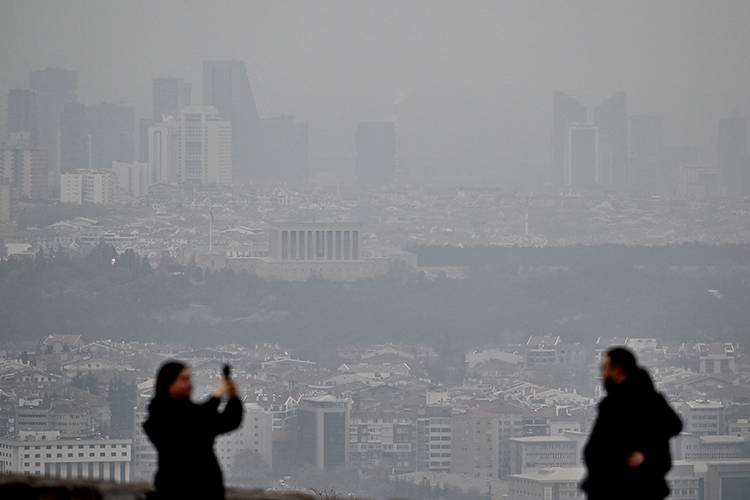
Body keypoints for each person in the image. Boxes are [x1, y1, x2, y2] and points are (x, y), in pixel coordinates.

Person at [581, 347, 682, 500]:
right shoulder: (617, 401)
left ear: (618, 369)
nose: (602, 375)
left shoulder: (641, 400)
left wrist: (644, 453)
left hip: (630, 488)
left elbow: (673, 425)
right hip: (614, 487)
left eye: (605, 369)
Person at [143, 361, 243, 500]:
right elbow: (191, 424)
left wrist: (233, 398)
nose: (190, 384)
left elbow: (228, 421)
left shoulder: (182, 413)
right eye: (184, 379)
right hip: (177, 490)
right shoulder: (163, 415)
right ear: (169, 383)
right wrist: (217, 397)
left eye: (189, 379)